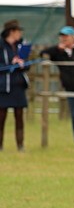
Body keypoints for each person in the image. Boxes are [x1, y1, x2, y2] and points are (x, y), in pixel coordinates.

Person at [1, 19, 30, 151]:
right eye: (18, 31)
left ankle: (20, 145)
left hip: (18, 85)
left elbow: (27, 65)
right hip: (3, 86)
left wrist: (22, 64)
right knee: (1, 118)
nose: (20, 34)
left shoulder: (21, 46)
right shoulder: (1, 46)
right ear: (11, 32)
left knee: (19, 116)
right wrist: (10, 65)